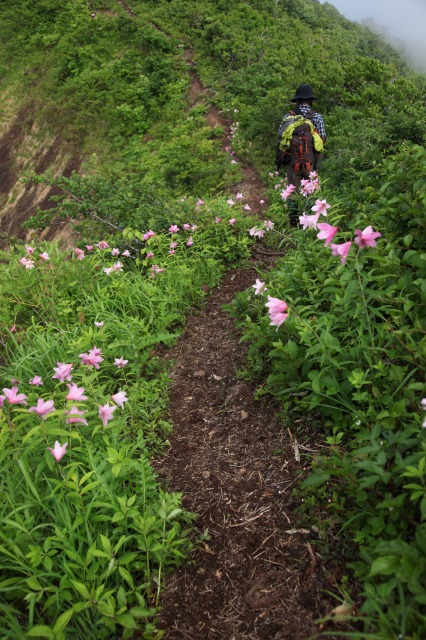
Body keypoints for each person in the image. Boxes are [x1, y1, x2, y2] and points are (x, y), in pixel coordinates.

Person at [276, 84, 326, 226]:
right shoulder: (317, 117)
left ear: (297, 101)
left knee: (292, 191)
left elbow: (281, 139)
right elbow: (322, 139)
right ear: (310, 101)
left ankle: (293, 223)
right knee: (311, 192)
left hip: (292, 163)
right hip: (311, 162)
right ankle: (310, 221)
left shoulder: (288, 118)